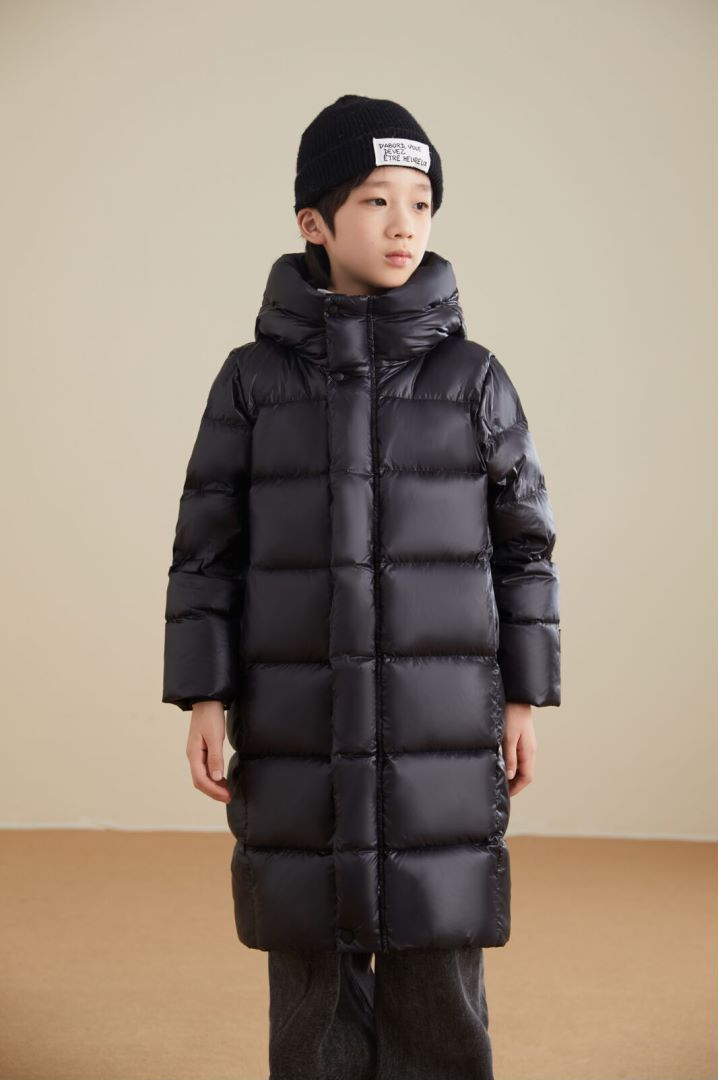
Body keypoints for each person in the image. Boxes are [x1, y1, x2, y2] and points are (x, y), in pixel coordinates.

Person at [161, 94, 561, 1080]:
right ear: (314, 221)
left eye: (420, 203)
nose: (402, 225)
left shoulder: (472, 381)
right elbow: (206, 550)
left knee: (438, 951)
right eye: (376, 201)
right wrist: (204, 695)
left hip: (442, 731)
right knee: (310, 961)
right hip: (295, 726)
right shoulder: (252, 384)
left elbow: (526, 549)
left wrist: (520, 697)